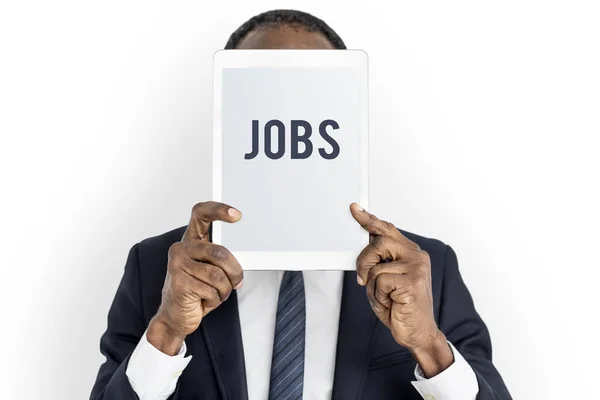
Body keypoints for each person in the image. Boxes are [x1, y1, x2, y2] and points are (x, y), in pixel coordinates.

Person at [90, 9, 511, 400]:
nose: (288, 111)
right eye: (263, 87)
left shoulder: (425, 266)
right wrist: (165, 332)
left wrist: (429, 345)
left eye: (310, 89)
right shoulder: (158, 265)